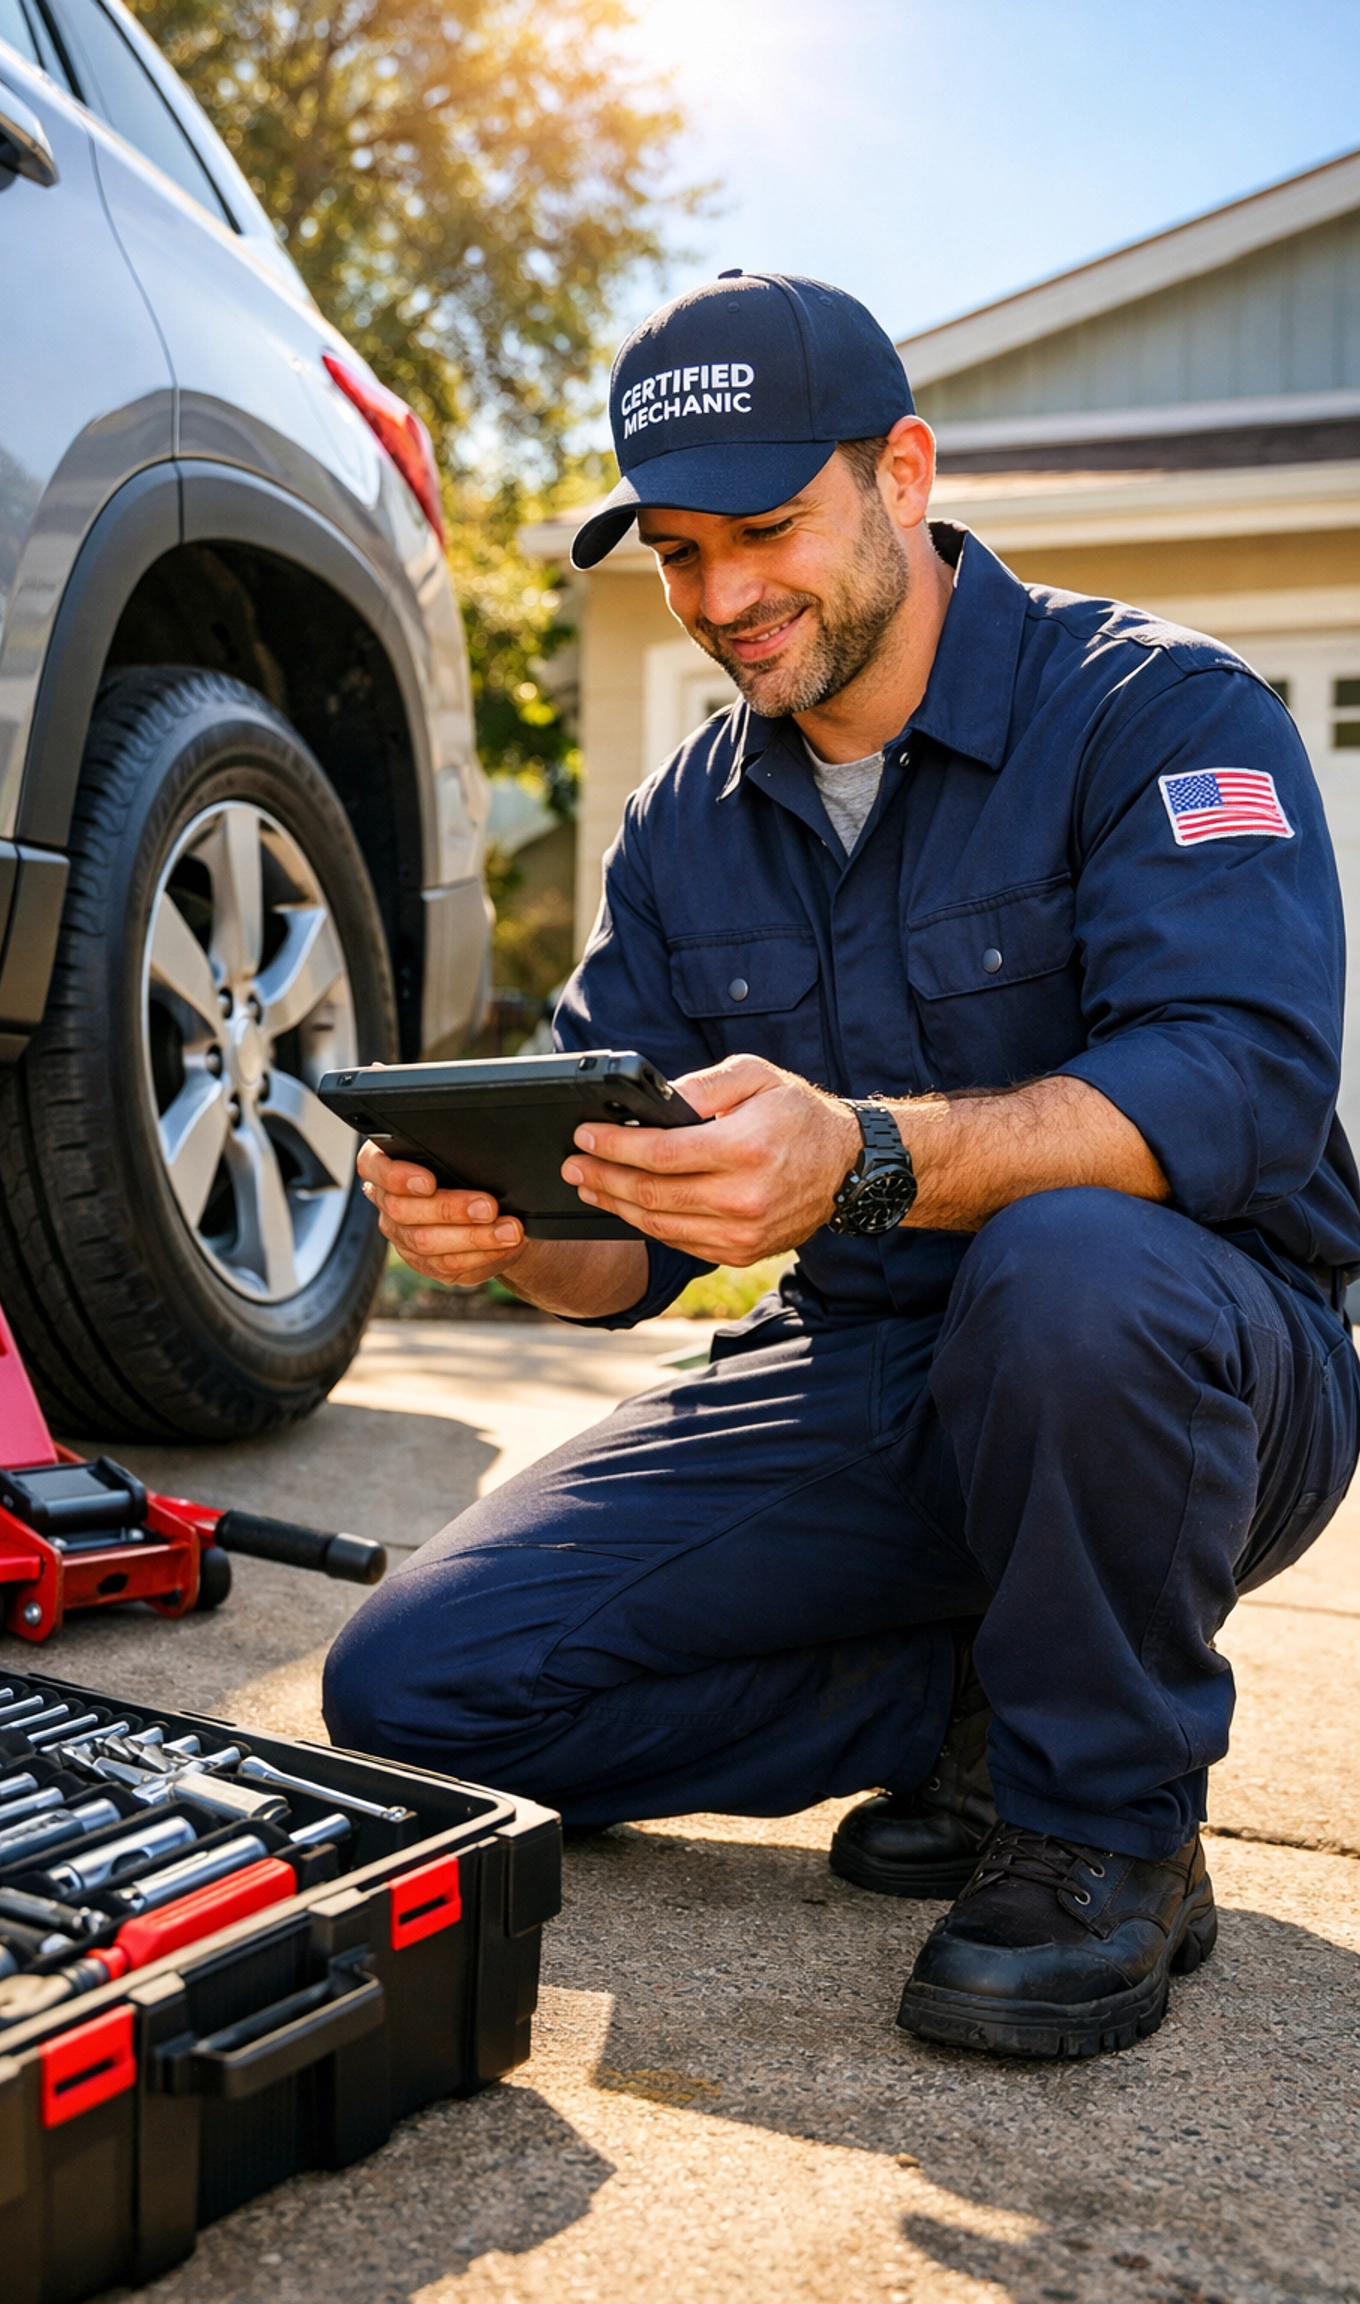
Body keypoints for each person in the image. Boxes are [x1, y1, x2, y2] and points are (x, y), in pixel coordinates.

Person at [325, 272, 1360, 2059]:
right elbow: (620, 1252)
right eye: (675, 551)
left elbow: (1242, 1084)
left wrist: (867, 1159)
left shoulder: (1159, 714)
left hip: (1195, 1375)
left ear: (901, 468)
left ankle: (1101, 1823)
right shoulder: (681, 823)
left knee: (1066, 1265)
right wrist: (506, 1234)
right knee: (416, 1690)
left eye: (765, 529)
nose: (722, 599)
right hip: (871, 1381)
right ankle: (964, 1705)